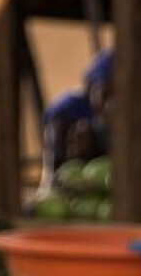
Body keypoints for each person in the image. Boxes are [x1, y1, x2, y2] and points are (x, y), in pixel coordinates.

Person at [42, 47, 113, 187]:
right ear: (90, 88)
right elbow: (55, 160)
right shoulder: (67, 108)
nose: (109, 103)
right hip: (70, 174)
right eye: (105, 94)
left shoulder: (110, 116)